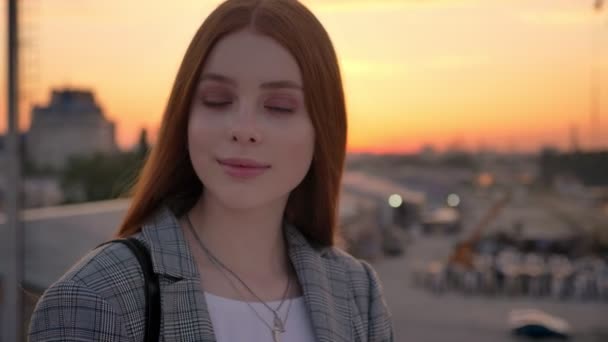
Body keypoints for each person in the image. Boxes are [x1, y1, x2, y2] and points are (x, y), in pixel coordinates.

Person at [28, 0, 394, 341]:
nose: (243, 128)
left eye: (279, 106)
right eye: (217, 101)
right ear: (184, 118)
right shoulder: (94, 298)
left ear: (323, 130)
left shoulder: (357, 292)